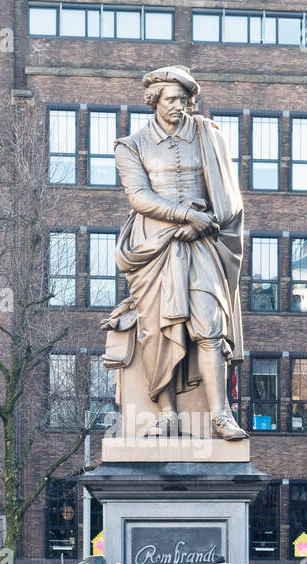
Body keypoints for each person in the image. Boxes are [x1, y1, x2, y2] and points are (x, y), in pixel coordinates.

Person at [106, 65, 247, 440]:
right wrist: (185, 215)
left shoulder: (207, 134)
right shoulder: (131, 145)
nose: (178, 107)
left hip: (202, 242)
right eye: (171, 100)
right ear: (154, 101)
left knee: (209, 324)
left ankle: (220, 415)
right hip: (155, 248)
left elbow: (229, 195)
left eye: (184, 100)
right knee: (155, 331)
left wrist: (207, 220)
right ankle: (166, 413)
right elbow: (139, 197)